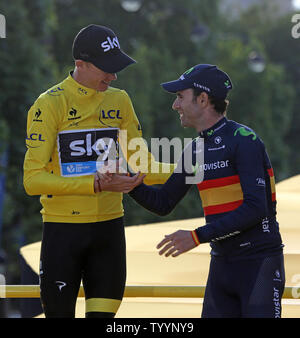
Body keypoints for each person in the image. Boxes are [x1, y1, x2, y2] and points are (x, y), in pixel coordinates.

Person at [23, 24, 174, 318]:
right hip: (62, 232)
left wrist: (196, 169)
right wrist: (94, 184)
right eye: (106, 68)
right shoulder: (50, 104)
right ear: (80, 64)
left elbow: (144, 166)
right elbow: (32, 180)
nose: (114, 76)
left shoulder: (120, 100)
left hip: (109, 231)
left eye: (117, 67)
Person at [123, 64, 285, 318]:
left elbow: (256, 208)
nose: (175, 106)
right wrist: (131, 184)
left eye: (179, 97)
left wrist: (197, 236)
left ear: (203, 99)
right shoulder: (195, 150)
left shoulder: (244, 139)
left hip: (258, 262)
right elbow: (164, 202)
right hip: (222, 263)